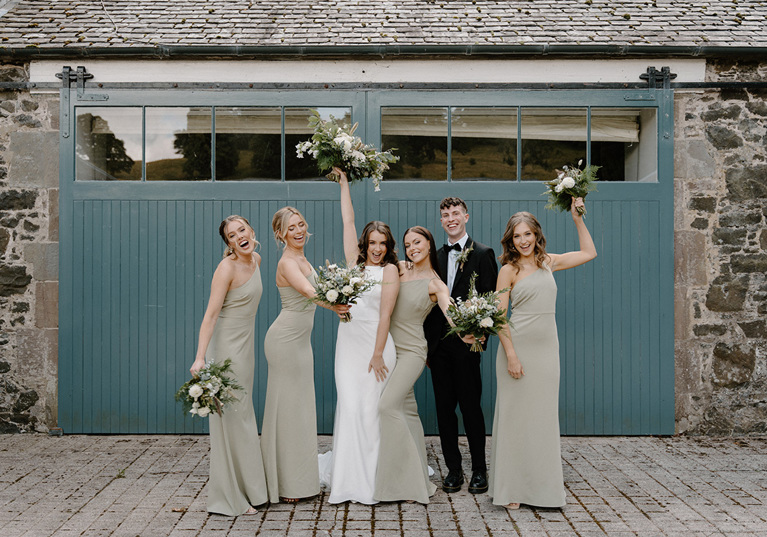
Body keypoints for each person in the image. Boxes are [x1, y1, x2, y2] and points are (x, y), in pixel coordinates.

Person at [489, 198, 596, 510]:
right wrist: (510, 355)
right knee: (515, 420)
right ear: (510, 239)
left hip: (547, 352)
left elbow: (590, 253)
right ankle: (511, 490)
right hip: (517, 349)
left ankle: (541, 490)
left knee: (541, 420)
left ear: (536, 235)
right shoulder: (507, 271)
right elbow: (498, 317)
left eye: (528, 234)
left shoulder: (549, 262)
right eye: (517, 236)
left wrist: (577, 219)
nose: (523, 241)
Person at [319, 167, 399, 505]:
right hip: (349, 346)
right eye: (372, 242)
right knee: (350, 407)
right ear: (364, 244)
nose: (377, 249)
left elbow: (386, 315)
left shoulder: (392, 270)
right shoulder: (353, 264)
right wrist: (345, 186)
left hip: (377, 347)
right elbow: (348, 222)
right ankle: (347, 479)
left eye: (382, 243)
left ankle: (374, 479)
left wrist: (378, 353)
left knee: (369, 411)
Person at [374, 226, 470, 504]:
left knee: (386, 406)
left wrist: (466, 332)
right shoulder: (399, 269)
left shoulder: (435, 283)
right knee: (408, 411)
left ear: (429, 244)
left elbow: (450, 313)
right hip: (391, 349)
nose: (411, 248)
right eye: (407, 244)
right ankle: (417, 474)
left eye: (417, 242)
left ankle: (405, 480)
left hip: (413, 351)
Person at [261, 207, 348, 504]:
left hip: (301, 342)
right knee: (289, 410)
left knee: (299, 409)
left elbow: (319, 287)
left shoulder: (302, 257)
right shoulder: (287, 262)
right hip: (284, 341)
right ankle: (288, 486)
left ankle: (299, 479)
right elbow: (310, 292)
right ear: (281, 234)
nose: (298, 231)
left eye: (301, 225)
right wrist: (335, 305)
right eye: (291, 228)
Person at [189, 215, 267, 516]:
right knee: (233, 418)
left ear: (251, 231)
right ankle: (231, 497)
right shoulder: (226, 268)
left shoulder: (257, 259)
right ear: (229, 244)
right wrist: (200, 357)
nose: (239, 237)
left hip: (246, 347)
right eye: (232, 235)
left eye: (242, 230)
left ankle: (252, 489)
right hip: (227, 350)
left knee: (244, 415)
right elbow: (210, 316)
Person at [423, 197, 498, 494]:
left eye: (456, 213)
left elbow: (492, 299)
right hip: (439, 348)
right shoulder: (434, 257)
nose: (451, 218)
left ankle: (479, 470)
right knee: (444, 409)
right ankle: (453, 470)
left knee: (470, 408)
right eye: (445, 215)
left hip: (468, 344)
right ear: (441, 221)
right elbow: (429, 306)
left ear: (466, 216)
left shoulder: (483, 253)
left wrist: (481, 338)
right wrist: (429, 347)